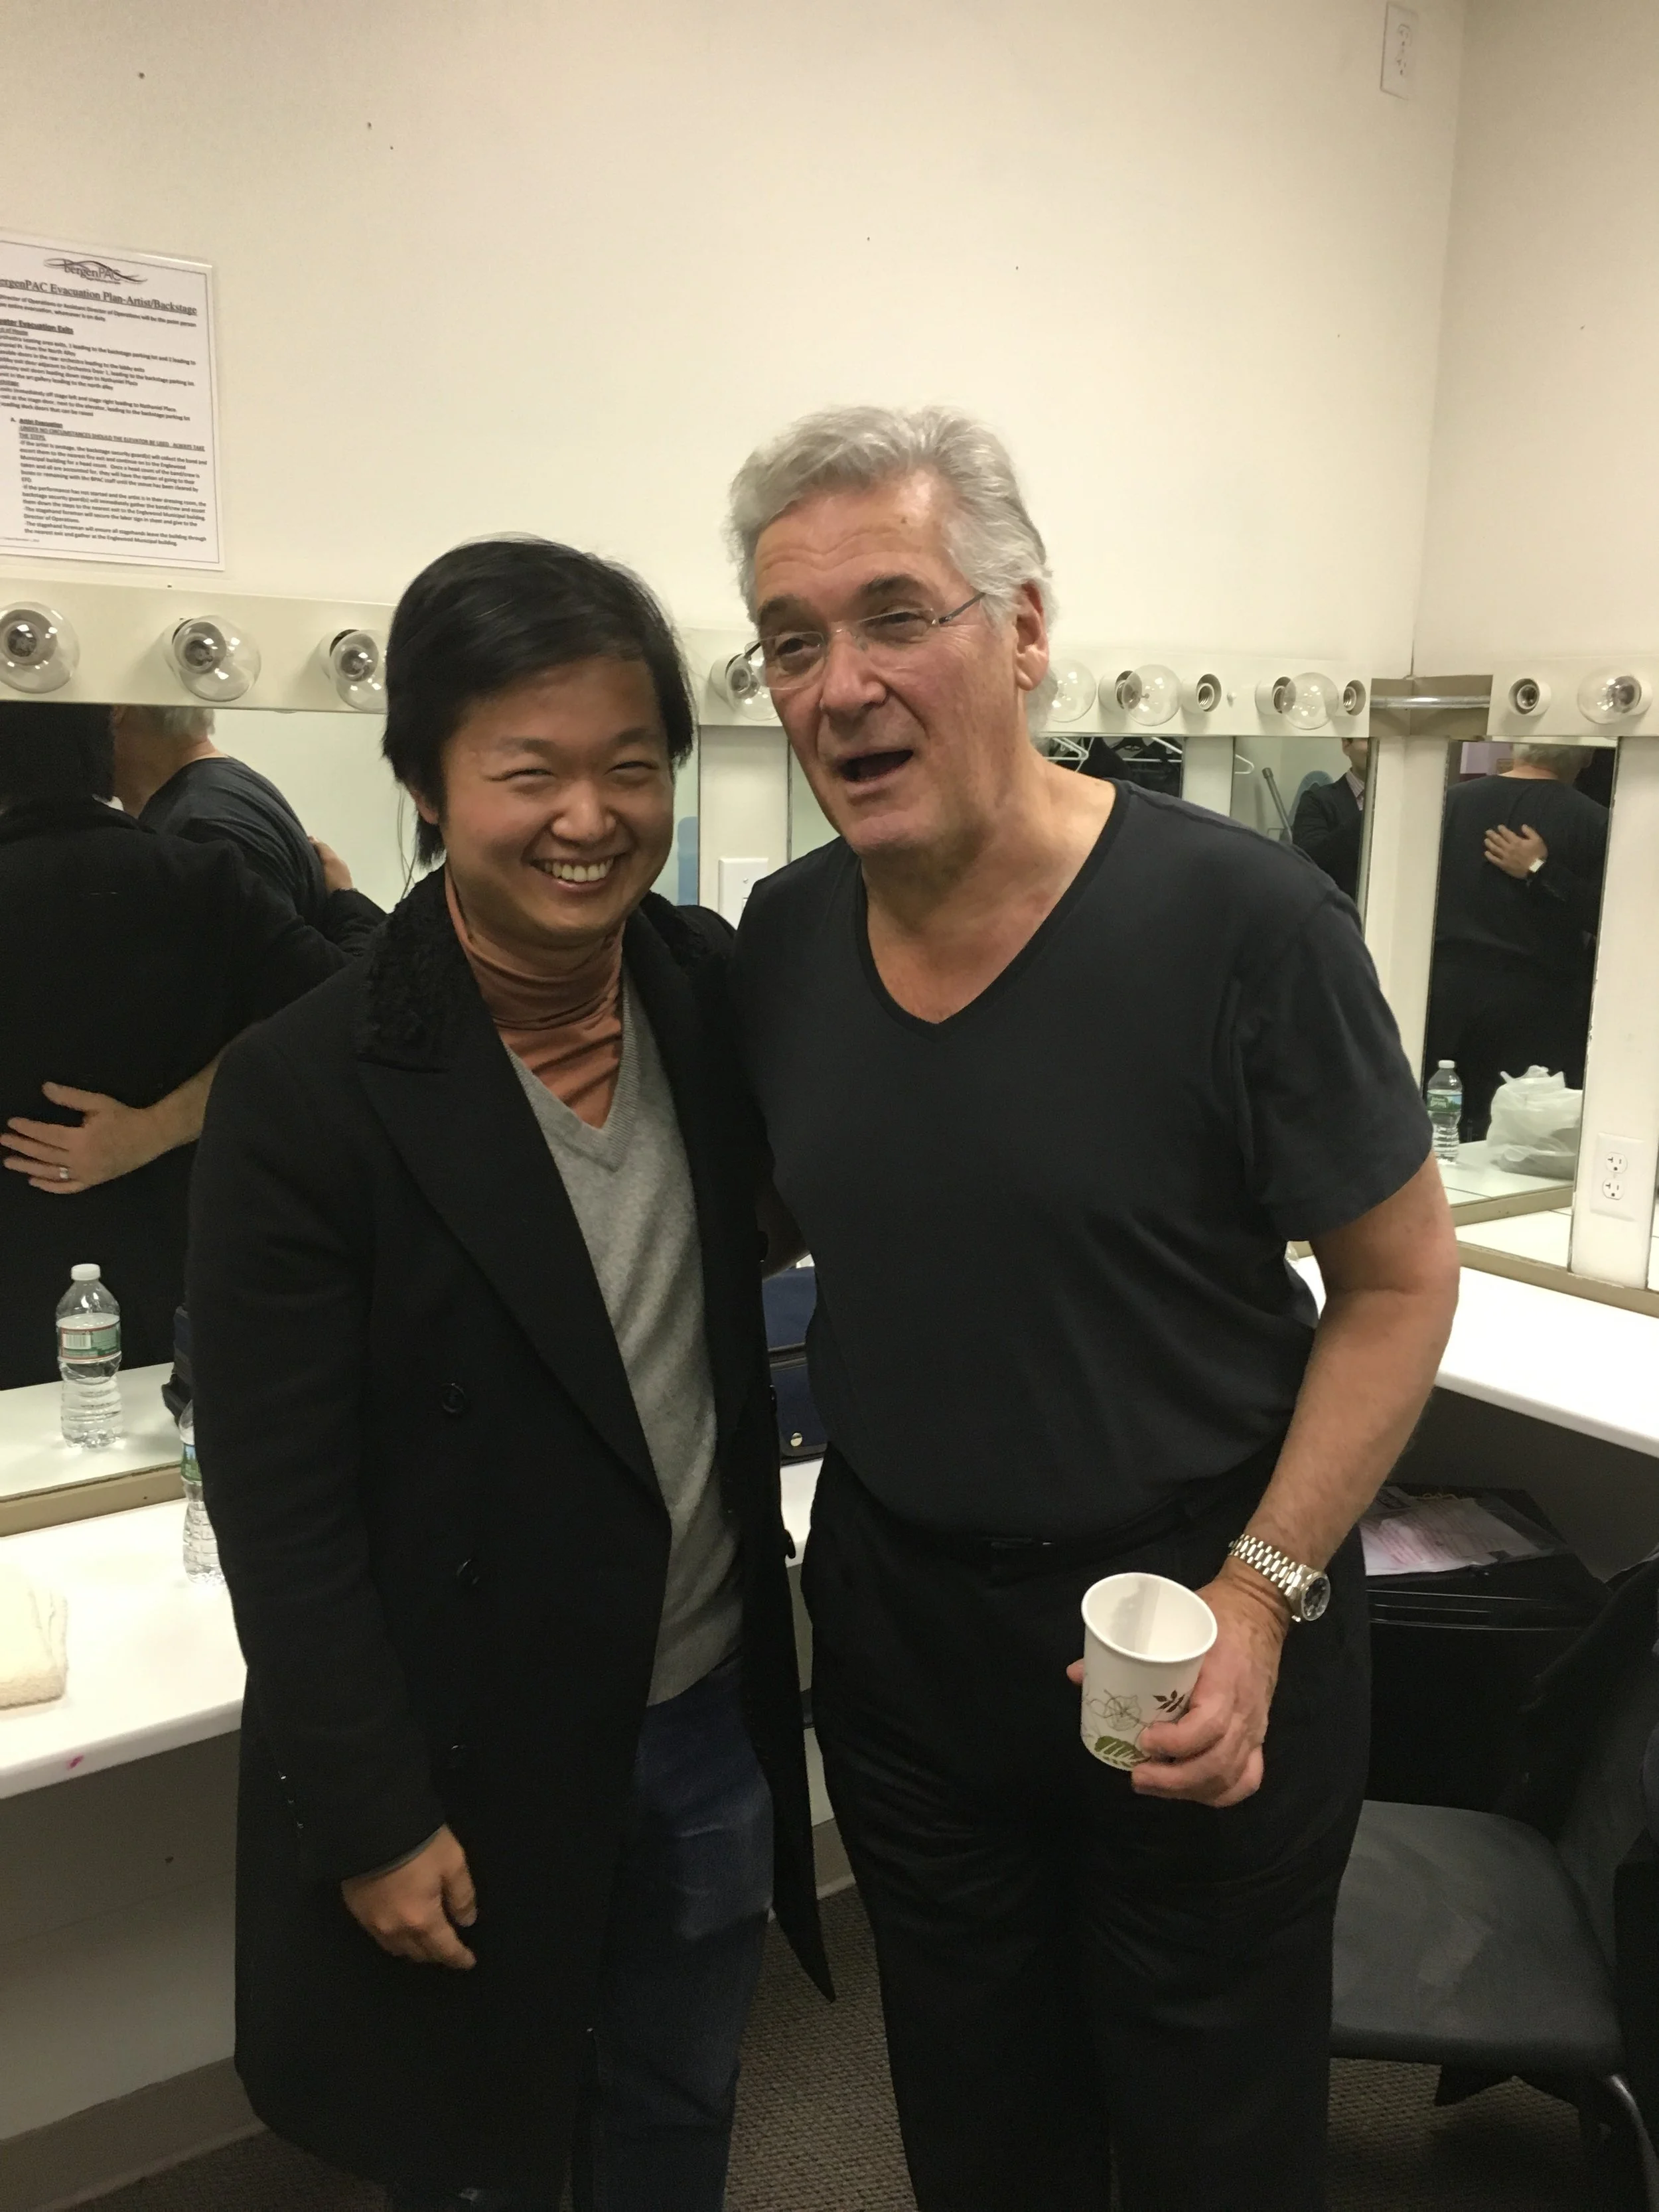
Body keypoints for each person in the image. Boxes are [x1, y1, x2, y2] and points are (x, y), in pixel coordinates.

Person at [725, 406, 1461, 2212]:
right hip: (906, 1632)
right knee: (979, 2128)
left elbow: (1395, 1283)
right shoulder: (785, 939)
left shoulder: (1241, 924)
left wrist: (1262, 1592)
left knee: (1212, 2134)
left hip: (1186, 1604)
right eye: (792, 640)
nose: (840, 685)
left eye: (895, 613)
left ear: (1026, 629)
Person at [184, 539, 828, 2211]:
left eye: (630, 768)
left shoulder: (701, 992)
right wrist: (372, 1813)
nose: (586, 816)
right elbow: (278, 1496)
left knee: (681, 2104)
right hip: (465, 1749)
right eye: (525, 771)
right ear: (421, 780)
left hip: (698, 1708)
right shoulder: (309, 1087)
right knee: (481, 2153)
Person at [0, 701, 345, 1386]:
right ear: (103, 737)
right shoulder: (204, 879)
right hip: (195, 1272)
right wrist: (155, 1129)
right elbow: (338, 1008)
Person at [1424, 741, 1609, 1140]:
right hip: (1538, 1004)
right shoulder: (1594, 822)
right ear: (1589, 757)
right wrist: (1544, 871)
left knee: (1437, 1126)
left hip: (1441, 992)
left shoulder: (1447, 804)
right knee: (1519, 1137)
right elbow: (1609, 917)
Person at [111, 703, 383, 948]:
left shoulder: (205, 830)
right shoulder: (223, 790)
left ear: (116, 710)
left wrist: (349, 905)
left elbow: (290, 990)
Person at [1291, 733, 1368, 900]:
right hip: (1340, 915)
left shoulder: (1415, 805)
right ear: (1346, 745)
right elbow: (1308, 863)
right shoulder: (1317, 801)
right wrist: (1371, 814)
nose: (1378, 748)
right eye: (1368, 740)